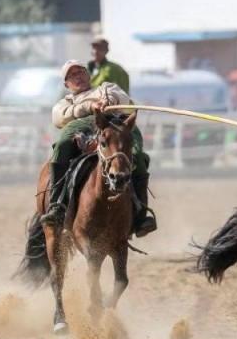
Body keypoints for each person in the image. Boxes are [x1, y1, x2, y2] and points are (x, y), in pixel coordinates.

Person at [40, 60, 156, 238]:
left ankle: (141, 214)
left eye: (80, 72)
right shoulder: (65, 102)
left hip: (115, 125)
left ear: (88, 75)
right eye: (72, 75)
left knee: (136, 153)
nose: (78, 76)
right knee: (62, 146)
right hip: (82, 125)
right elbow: (58, 118)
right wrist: (89, 106)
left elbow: (126, 101)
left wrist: (108, 100)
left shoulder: (106, 87)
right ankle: (57, 206)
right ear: (66, 84)